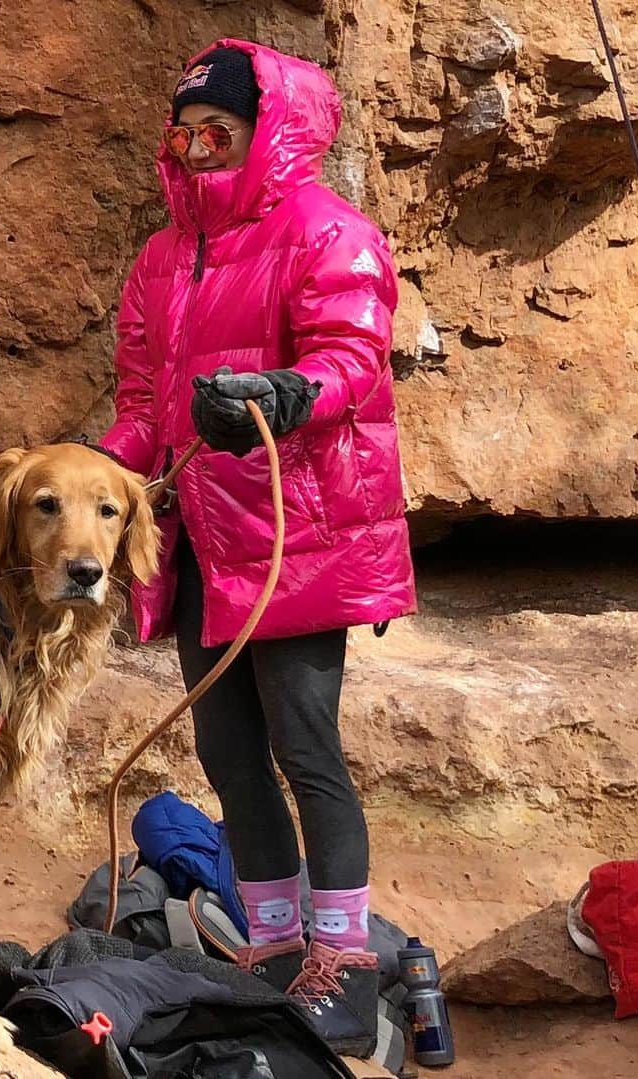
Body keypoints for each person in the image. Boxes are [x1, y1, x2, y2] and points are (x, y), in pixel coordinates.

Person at [100, 40, 417, 1058]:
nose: (196, 152)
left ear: (266, 133)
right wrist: (86, 473)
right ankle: (276, 945)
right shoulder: (162, 256)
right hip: (199, 534)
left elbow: (351, 362)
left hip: (296, 535)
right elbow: (144, 409)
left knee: (306, 745)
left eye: (218, 133)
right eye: (184, 134)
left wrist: (287, 395)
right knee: (228, 752)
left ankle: (345, 958)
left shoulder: (330, 232)